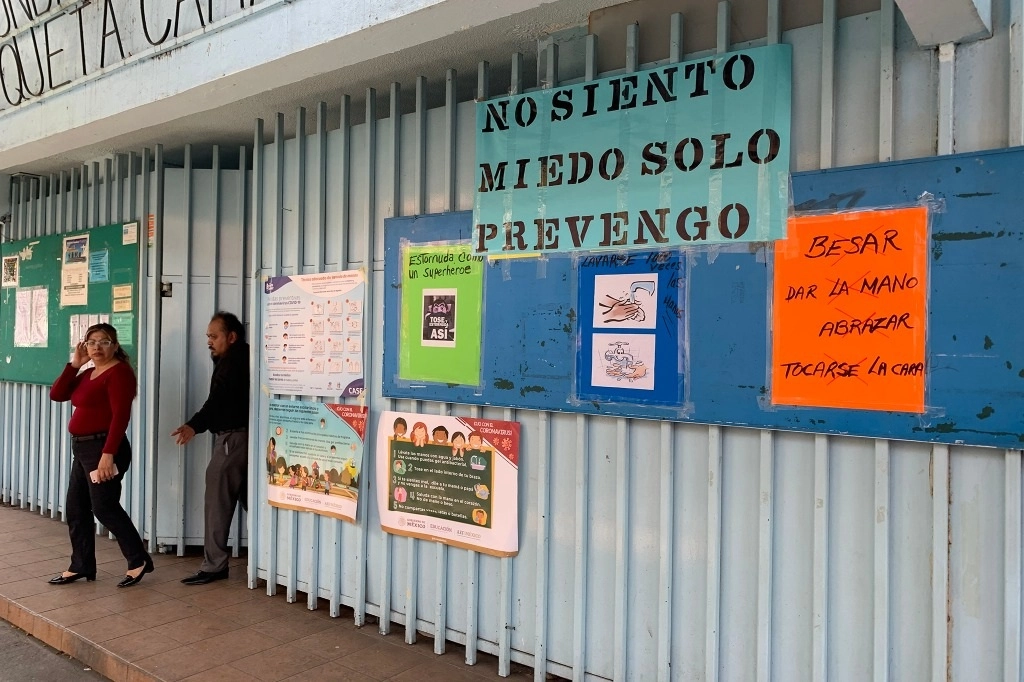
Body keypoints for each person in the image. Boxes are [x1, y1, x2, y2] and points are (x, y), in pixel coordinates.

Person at [49, 324, 153, 588]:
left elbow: (121, 417)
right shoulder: (88, 374)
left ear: (115, 346)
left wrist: (108, 455)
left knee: (104, 507)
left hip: (104, 448)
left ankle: (138, 559)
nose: (97, 347)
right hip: (83, 449)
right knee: (76, 508)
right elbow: (58, 394)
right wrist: (74, 364)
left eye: (104, 342)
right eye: (91, 342)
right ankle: (81, 564)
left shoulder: (119, 373)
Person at [171, 312, 250, 585]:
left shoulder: (232, 364)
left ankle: (214, 564)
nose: (209, 341)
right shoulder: (237, 358)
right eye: (208, 336)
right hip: (240, 437)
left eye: (214, 336)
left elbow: (216, 402)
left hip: (233, 439)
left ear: (232, 337)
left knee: (217, 500)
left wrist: (194, 425)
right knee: (248, 498)